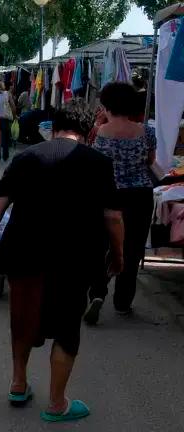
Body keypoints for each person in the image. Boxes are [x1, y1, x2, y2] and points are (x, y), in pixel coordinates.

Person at [0, 100, 124, 423]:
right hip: (75, 257)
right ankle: (57, 404)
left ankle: (18, 383)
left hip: (24, 251)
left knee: (23, 319)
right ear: (89, 132)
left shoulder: (26, 157)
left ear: (53, 128)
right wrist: (119, 255)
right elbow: (113, 218)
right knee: (67, 327)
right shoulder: (98, 162)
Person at [85, 82, 157, 323]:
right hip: (140, 195)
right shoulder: (146, 132)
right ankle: (122, 302)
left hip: (108, 194)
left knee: (101, 245)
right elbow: (150, 160)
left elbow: (91, 162)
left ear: (107, 105)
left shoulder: (99, 133)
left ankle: (97, 291)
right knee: (133, 249)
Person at [0, 80, 17, 162]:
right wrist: (14, 116)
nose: (4, 85)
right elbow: (13, 106)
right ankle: (5, 156)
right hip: (5, 119)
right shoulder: (7, 94)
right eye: (2, 84)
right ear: (0, 86)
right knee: (5, 138)